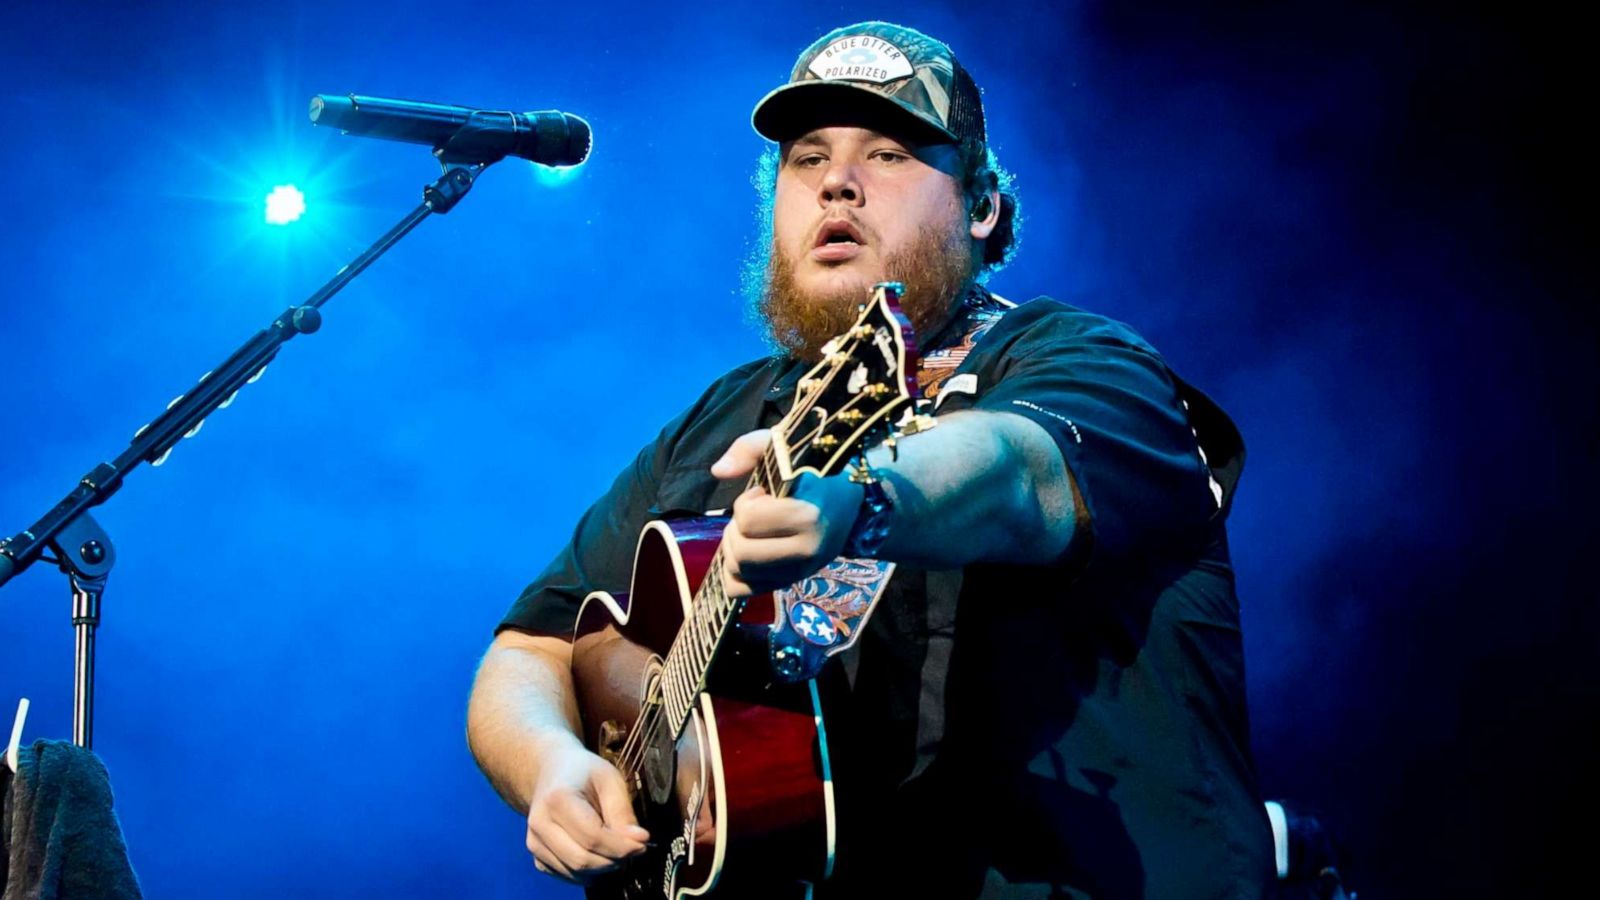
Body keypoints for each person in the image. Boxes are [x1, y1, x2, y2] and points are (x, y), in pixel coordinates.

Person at [467, 20, 1275, 899]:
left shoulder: (1081, 359)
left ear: (981, 206)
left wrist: (861, 499)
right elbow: (529, 649)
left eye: (888, 154)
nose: (836, 185)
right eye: (806, 158)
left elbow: (1016, 473)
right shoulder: (720, 423)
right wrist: (549, 764)